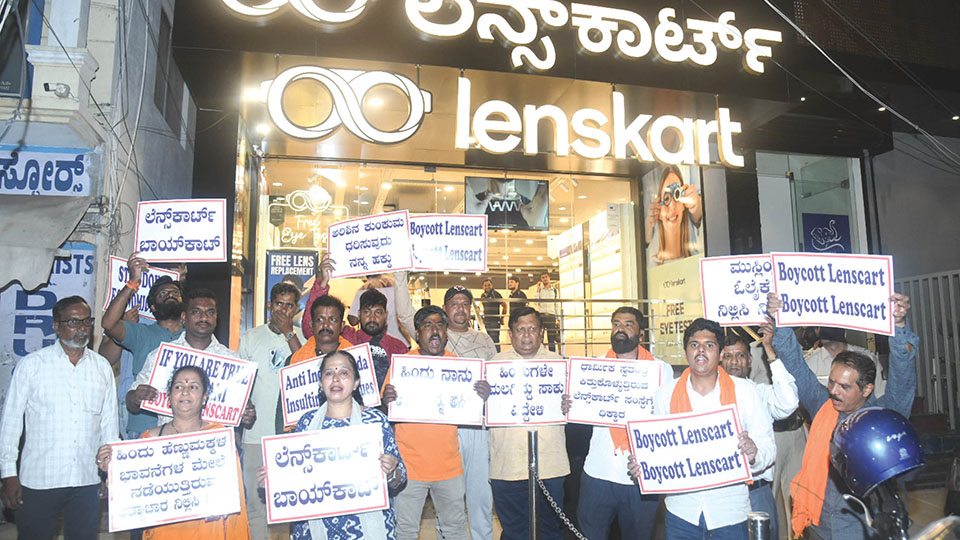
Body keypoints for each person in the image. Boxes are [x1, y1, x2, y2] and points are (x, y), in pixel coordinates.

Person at [767, 292, 918, 540]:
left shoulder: (883, 418)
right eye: (832, 382)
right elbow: (795, 364)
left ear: (867, 389)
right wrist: (780, 320)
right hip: (816, 523)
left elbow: (903, 378)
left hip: (862, 528)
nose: (834, 391)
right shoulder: (822, 405)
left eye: (844, 387)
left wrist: (899, 325)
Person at [630, 317, 775, 538]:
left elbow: (768, 448)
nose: (701, 350)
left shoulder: (746, 392)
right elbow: (658, 449)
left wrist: (754, 453)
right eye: (694, 344)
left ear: (720, 353)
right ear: (686, 351)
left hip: (731, 513)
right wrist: (643, 464)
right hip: (681, 514)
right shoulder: (665, 394)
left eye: (709, 345)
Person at [0, 296, 119, 540]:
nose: (82, 328)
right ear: (56, 326)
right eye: (73, 322)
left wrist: (109, 474)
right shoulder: (32, 366)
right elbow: (11, 423)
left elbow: (109, 426)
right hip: (40, 480)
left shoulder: (102, 368)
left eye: (86, 321)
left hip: (87, 479)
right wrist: (8, 474)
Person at [97, 365, 251, 539]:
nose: (185, 392)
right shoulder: (149, 440)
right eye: (178, 387)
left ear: (204, 397)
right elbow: (134, 495)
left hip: (209, 531)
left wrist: (223, 506)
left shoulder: (219, 439)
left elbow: (234, 494)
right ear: (169, 397)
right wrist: (112, 472)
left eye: (193, 387)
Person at [395, 281, 496, 540]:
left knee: (479, 494)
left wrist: (488, 391)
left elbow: (494, 379)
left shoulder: (484, 340)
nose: (460, 309)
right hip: (443, 434)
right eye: (454, 304)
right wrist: (400, 273)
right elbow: (405, 314)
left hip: (476, 425)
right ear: (445, 308)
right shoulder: (429, 340)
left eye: (465, 304)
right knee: (445, 504)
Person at [569, 307, 673, 540]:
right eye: (616, 323)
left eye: (628, 324)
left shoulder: (660, 370)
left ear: (641, 334)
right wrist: (570, 404)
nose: (620, 329)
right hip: (598, 472)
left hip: (641, 476)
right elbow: (578, 408)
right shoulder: (592, 367)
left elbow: (666, 420)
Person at [280, 350, 406, 539]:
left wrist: (391, 471)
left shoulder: (375, 420)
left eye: (344, 372)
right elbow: (294, 476)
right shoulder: (306, 422)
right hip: (316, 529)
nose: (336, 379)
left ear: (356, 383)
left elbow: (400, 477)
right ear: (321, 383)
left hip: (367, 529)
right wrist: (275, 479)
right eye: (329, 373)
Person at [381, 306, 469, 540]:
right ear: (417, 334)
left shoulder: (460, 366)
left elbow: (471, 407)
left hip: (449, 466)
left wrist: (480, 394)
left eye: (440, 325)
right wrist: (386, 401)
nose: (434, 330)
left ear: (446, 332)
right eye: (427, 326)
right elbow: (384, 413)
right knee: (405, 531)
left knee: (455, 530)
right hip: (409, 468)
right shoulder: (402, 366)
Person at [487, 306, 569, 540]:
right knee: (514, 532)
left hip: (551, 465)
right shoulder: (495, 365)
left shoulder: (559, 365)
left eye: (532, 329)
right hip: (508, 465)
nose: (526, 335)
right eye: (520, 329)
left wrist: (570, 405)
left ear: (541, 332)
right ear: (510, 334)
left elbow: (579, 408)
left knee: (550, 532)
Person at [127, 288, 253, 428]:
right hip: (171, 438)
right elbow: (131, 402)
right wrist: (136, 397)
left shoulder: (232, 361)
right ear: (184, 317)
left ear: (216, 318)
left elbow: (243, 413)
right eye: (196, 312)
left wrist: (248, 415)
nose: (204, 318)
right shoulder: (161, 356)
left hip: (214, 440)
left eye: (210, 312)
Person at [237, 282, 304, 540]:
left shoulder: (303, 339)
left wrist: (289, 333)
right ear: (269, 306)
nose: (283, 311)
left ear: (296, 309)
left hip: (291, 435)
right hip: (256, 434)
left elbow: (307, 367)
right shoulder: (251, 337)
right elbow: (240, 383)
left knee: (292, 504)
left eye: (289, 306)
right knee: (255, 506)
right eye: (278, 304)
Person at [720, 328, 799, 537]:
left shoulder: (760, 392)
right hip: (722, 495)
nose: (734, 362)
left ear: (750, 360)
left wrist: (770, 352)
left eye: (740, 355)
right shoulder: (708, 397)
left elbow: (789, 402)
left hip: (756, 490)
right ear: (719, 360)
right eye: (727, 356)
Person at [103, 253, 185, 440]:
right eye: (163, 294)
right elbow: (108, 324)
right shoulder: (140, 333)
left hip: (184, 430)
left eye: (176, 293)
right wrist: (133, 282)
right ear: (153, 307)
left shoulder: (194, 336)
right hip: (144, 428)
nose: (170, 295)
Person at [302, 255, 408, 391]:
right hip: (346, 403)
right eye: (367, 312)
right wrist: (323, 283)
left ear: (385, 315)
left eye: (378, 312)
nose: (372, 318)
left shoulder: (398, 347)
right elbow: (310, 328)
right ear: (358, 314)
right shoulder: (347, 337)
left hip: (385, 404)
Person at [804, 326, 887, 397]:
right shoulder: (809, 364)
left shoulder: (868, 359)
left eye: (830, 324)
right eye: (819, 326)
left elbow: (880, 395)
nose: (823, 330)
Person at [645, 164, 702, 264]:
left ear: (684, 205)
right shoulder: (651, 265)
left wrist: (698, 205)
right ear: (658, 210)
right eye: (666, 198)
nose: (672, 206)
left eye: (677, 195)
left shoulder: (698, 258)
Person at [533, 272, 560, 352]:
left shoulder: (555, 290)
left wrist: (558, 318)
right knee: (540, 337)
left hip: (551, 316)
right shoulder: (540, 290)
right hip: (542, 315)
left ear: (549, 278)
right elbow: (536, 302)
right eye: (543, 278)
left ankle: (552, 354)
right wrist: (538, 290)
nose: (544, 279)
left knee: (551, 338)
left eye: (546, 277)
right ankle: (540, 354)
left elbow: (557, 304)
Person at [479, 278, 507, 351]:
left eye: (489, 285)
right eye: (485, 285)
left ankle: (497, 355)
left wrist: (502, 318)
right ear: (483, 287)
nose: (487, 287)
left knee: (495, 340)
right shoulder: (482, 296)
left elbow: (504, 305)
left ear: (492, 285)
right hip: (486, 321)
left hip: (494, 321)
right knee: (487, 340)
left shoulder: (496, 294)